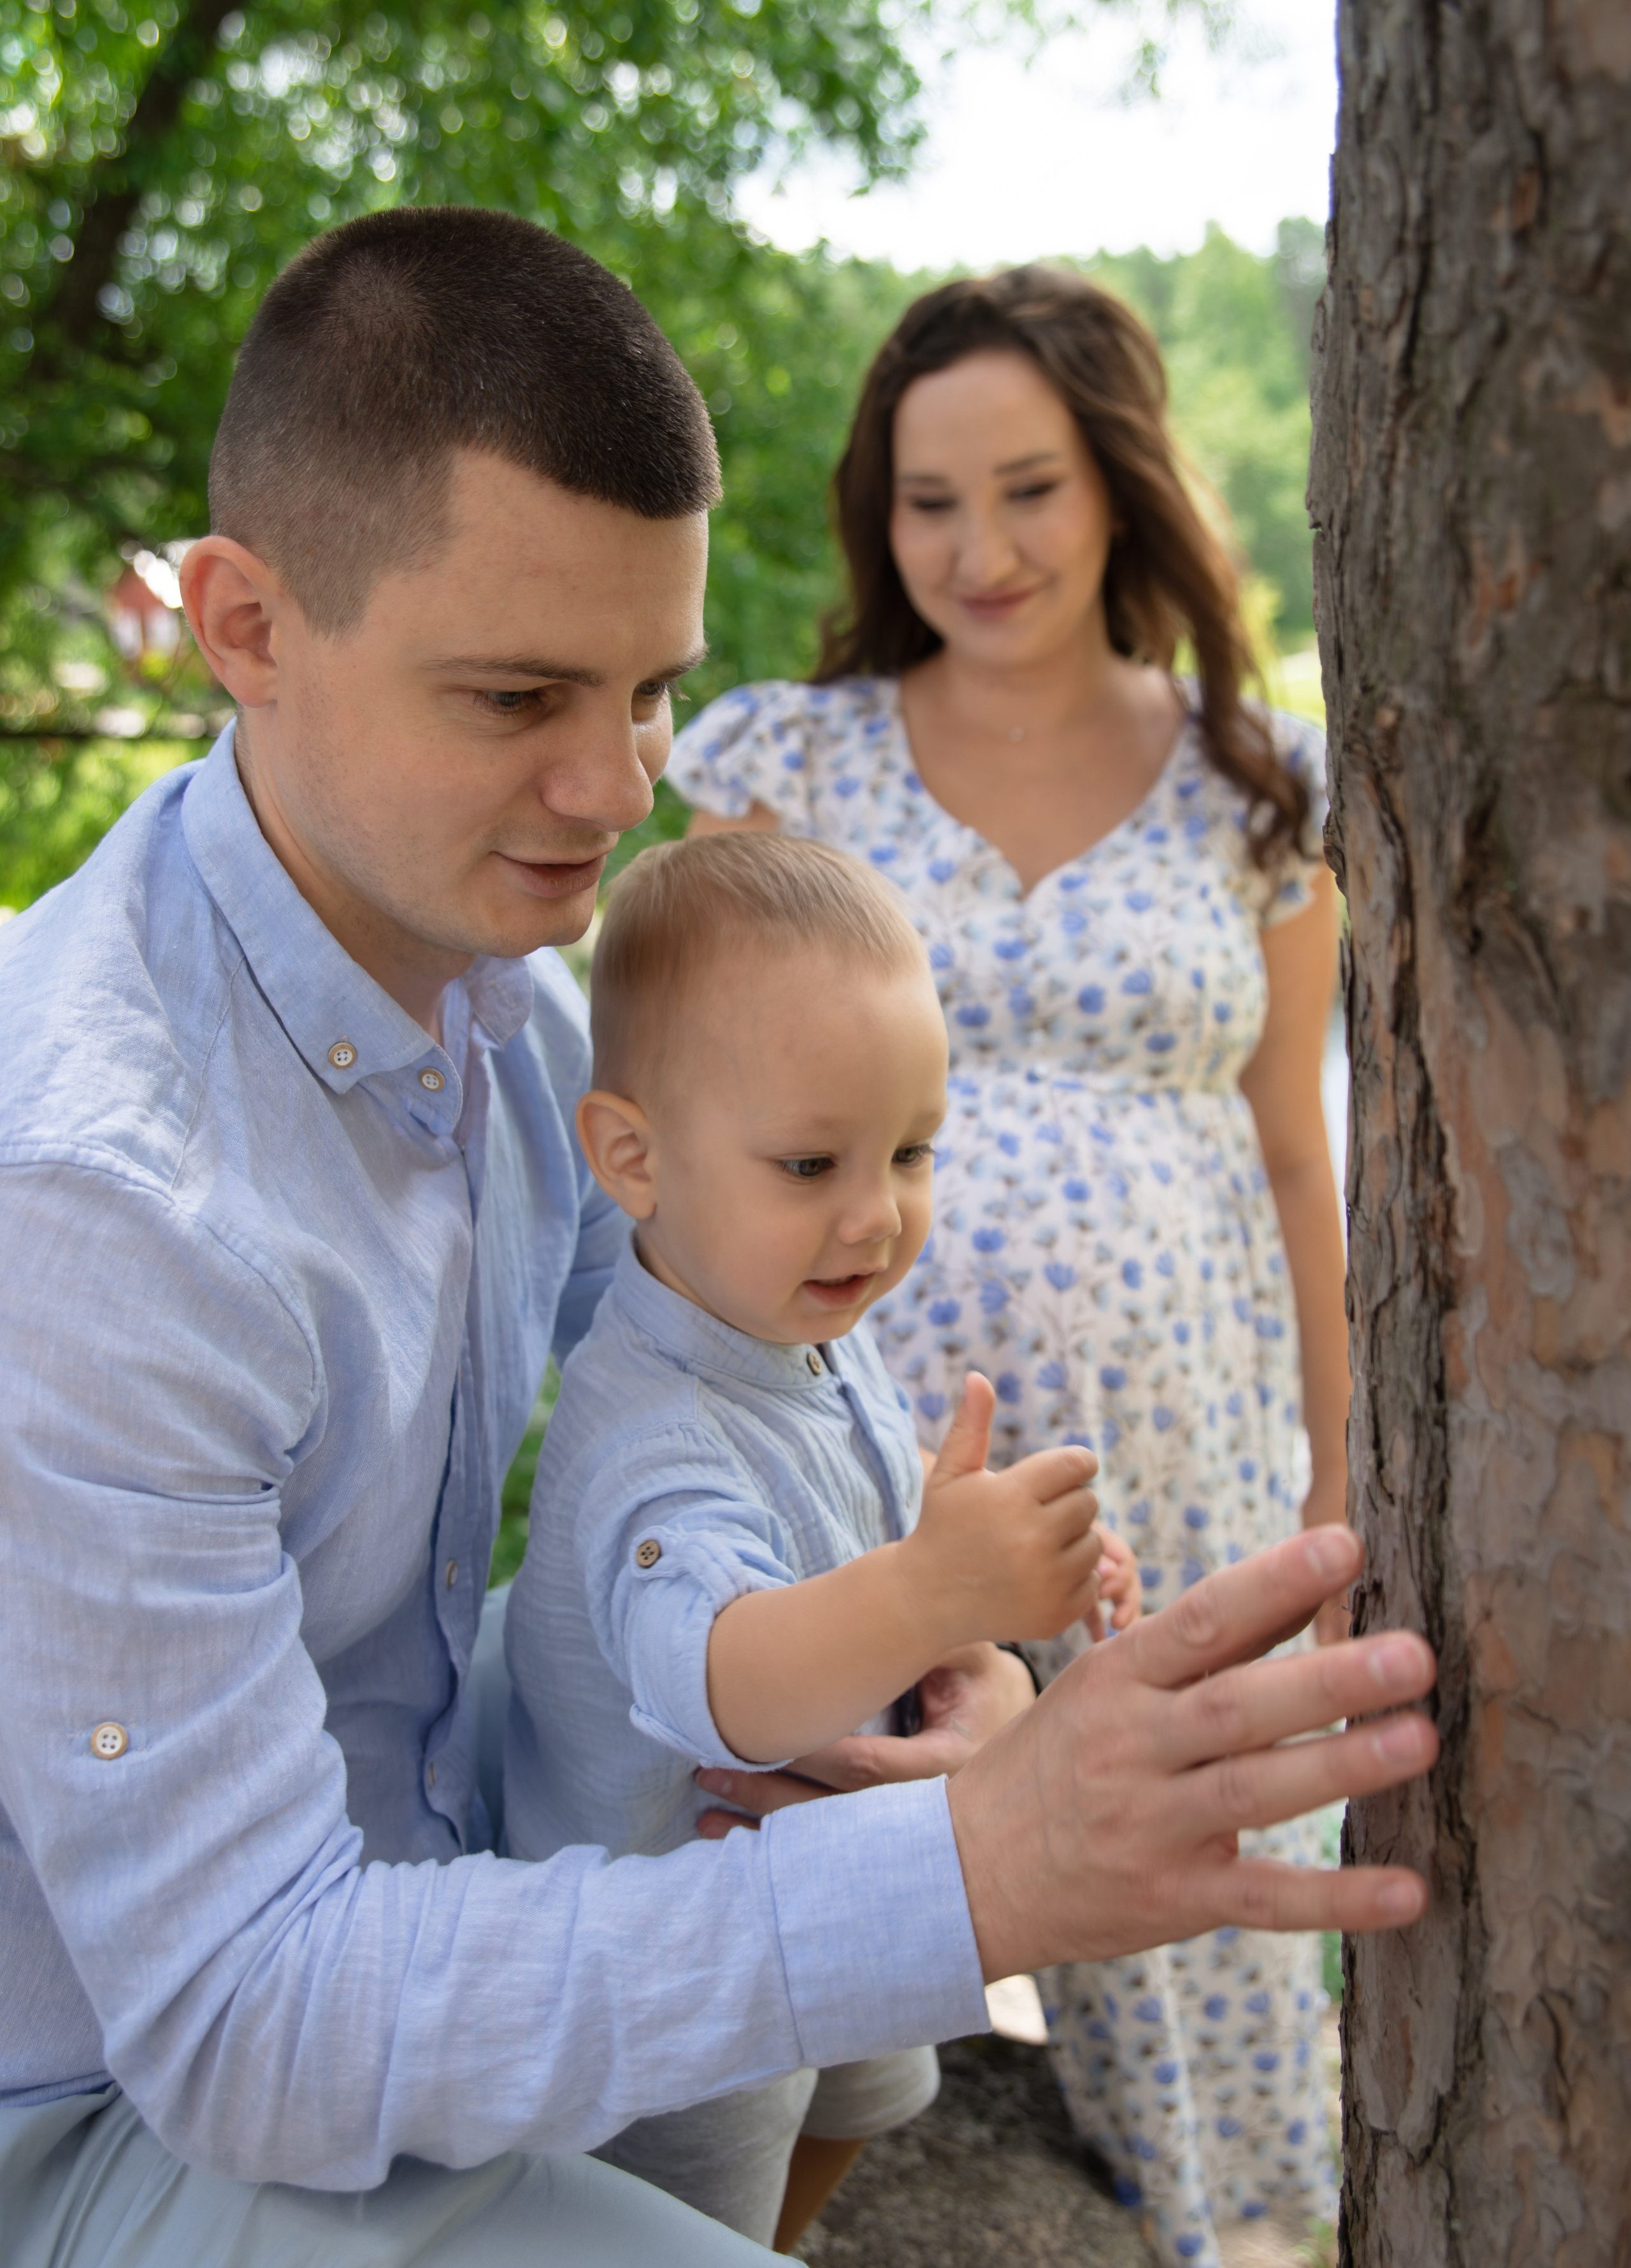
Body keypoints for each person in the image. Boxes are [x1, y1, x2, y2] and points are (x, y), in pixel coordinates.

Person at [0, 210, 1437, 2268]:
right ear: (244, 625)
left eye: (651, 688)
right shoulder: (108, 1203)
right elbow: (243, 2024)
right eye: (514, 696)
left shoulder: (515, 1013)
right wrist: (982, 1863)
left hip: (412, 1930)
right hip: (107, 2105)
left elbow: (716, 1414)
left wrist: (940, 1669)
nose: (610, 791)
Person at [667, 266, 1352, 2263]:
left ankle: (1251, 2238)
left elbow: (1298, 1147)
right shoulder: (790, 765)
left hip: (1195, 1465)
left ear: (1123, 484)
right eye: (926, 498)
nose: (977, 547)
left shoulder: (1260, 781)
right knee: (823, 1886)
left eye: (1028, 488)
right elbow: (676, 1112)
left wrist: (1335, 1459)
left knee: (1209, 1886)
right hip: (866, 1475)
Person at [501, 832, 1139, 2247]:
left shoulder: (785, 1311)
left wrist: (982, 1533)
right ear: (632, 1156)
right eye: (810, 1161)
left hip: (828, 1869)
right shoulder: (651, 1437)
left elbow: (848, 1476)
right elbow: (719, 1678)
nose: (874, 1214)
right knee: (697, 2192)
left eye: (910, 1150)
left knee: (867, 2093)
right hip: (684, 1944)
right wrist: (931, 1591)